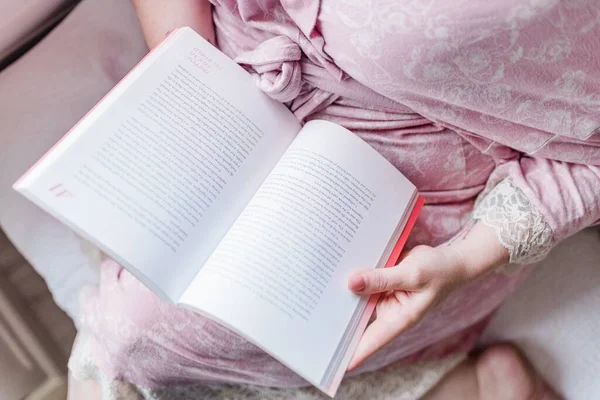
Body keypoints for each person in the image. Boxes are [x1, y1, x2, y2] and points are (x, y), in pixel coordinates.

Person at [6, 0, 600, 399]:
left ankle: (462, 378)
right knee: (144, 313)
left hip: (399, 189)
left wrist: (468, 258)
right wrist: (189, 75)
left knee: (142, 338)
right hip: (232, 98)